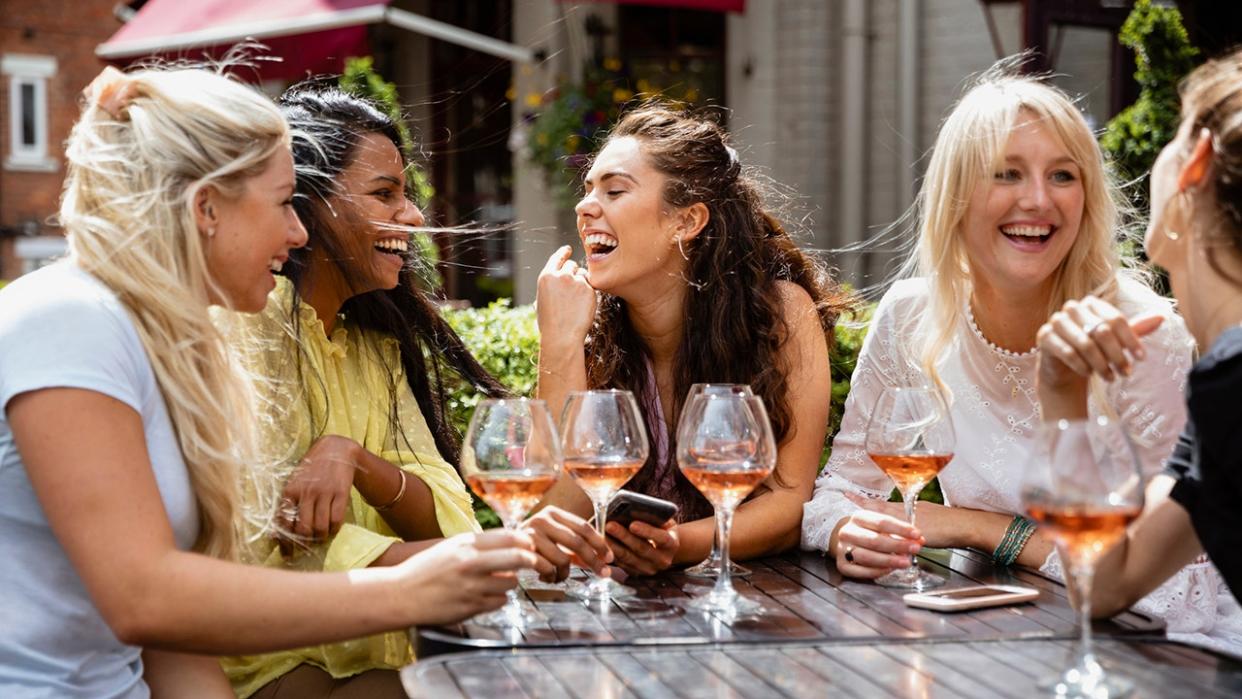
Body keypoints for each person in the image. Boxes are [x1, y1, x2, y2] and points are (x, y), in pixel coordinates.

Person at [0, 66, 536, 699]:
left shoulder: (164, 341)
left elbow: (169, 643)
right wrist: (404, 589)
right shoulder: (70, 320)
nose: (298, 232)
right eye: (284, 202)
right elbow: (143, 599)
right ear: (206, 208)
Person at [800, 58, 1232, 641]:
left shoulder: (1141, 336)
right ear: (955, 194)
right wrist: (846, 532)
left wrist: (982, 529)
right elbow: (838, 495)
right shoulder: (911, 315)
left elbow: (1178, 588)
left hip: (1144, 652)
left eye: (1063, 174)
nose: (1038, 200)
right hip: (984, 634)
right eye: (1006, 173)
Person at [219, 85, 612, 698]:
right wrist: (501, 553)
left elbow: (445, 519)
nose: (414, 216)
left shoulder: (372, 346)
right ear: (309, 206)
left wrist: (355, 459)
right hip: (272, 669)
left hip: (380, 658)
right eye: (385, 194)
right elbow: (276, 544)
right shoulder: (246, 330)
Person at [536, 102, 851, 575]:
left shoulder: (780, 313)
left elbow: (789, 502)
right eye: (587, 190)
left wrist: (674, 545)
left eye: (615, 190)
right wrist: (559, 342)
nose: (585, 206)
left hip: (759, 600)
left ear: (686, 221)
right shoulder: (584, 323)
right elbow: (560, 512)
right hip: (624, 602)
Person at [1037, 48, 1242, 656]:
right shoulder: (1222, 388)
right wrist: (1062, 393)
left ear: (1194, 166)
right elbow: (1104, 583)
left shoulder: (1232, 383)